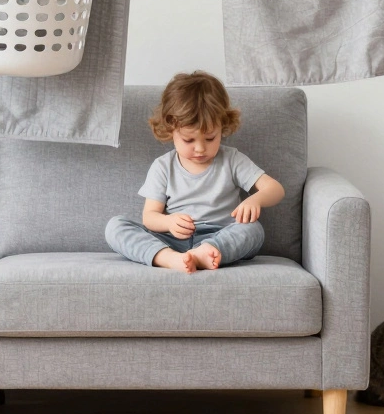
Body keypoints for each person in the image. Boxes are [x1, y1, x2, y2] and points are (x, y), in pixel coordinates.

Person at [105, 71, 285, 273]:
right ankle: (169, 258)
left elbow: (275, 189)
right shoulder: (163, 166)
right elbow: (149, 217)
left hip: (220, 237)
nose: (200, 149)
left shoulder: (232, 159)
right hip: (173, 240)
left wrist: (255, 200)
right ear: (170, 130)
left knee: (253, 229)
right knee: (115, 226)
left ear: (222, 126)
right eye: (189, 140)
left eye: (210, 138)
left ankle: (203, 254)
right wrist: (169, 222)